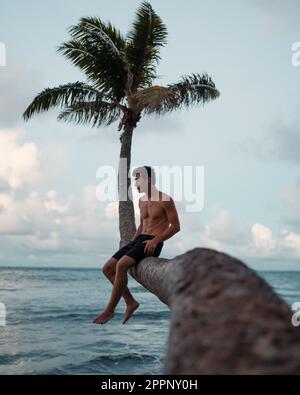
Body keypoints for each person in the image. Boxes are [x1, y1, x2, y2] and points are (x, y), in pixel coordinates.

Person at [93, 165, 181, 325]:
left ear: (147, 179)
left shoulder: (165, 199)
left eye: (137, 179)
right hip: (138, 240)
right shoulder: (141, 201)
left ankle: (110, 310)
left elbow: (175, 226)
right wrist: (132, 242)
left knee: (121, 265)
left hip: (152, 241)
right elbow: (142, 225)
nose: (135, 183)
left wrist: (155, 241)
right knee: (107, 269)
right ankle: (130, 302)